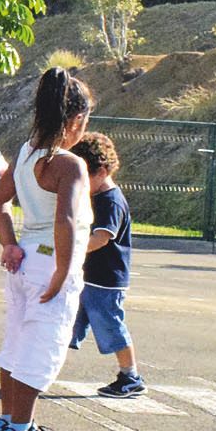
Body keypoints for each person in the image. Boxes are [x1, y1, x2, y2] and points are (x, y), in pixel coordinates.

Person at [0, 67, 94, 431]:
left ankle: (7, 421)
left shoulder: (26, 152)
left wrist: (10, 243)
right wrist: (65, 271)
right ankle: (21, 430)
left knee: (16, 342)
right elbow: (65, 219)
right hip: (51, 264)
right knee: (42, 346)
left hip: (25, 261)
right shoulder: (70, 165)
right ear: (75, 120)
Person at [69, 131, 144, 397]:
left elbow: (101, 238)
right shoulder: (93, 196)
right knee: (68, 320)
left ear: (101, 171)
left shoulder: (111, 201)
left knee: (110, 325)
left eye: (83, 174)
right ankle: (44, 365)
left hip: (107, 280)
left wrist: (71, 250)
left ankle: (131, 376)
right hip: (88, 276)